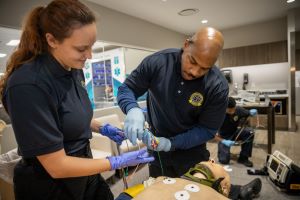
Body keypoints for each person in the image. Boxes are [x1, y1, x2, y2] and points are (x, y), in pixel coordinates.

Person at [0, 0, 154, 199]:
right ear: (52, 40)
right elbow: (57, 166)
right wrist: (116, 162)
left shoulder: (73, 69)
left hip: (84, 168)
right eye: (82, 49)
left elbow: (69, 116)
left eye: (91, 46)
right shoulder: (28, 85)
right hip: (49, 184)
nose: (89, 55)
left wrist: (103, 128)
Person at [117, 27, 261, 199]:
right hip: (157, 148)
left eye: (204, 68)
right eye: (192, 61)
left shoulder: (217, 86)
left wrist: (171, 143)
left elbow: (207, 130)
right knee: (160, 190)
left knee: (196, 191)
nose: (194, 72)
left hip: (192, 149)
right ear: (186, 45)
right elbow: (127, 88)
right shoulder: (158, 62)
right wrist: (132, 109)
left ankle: (237, 192)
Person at [115, 160, 262, 200]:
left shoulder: (161, 180)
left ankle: (241, 192)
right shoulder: (162, 178)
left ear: (223, 188)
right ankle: (241, 192)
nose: (212, 159)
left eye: (216, 164)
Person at [215, 97, 257, 167]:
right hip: (223, 137)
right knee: (224, 160)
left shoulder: (238, 110)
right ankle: (223, 154)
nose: (233, 112)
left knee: (250, 132)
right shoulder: (217, 115)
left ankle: (243, 158)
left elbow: (248, 113)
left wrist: (251, 112)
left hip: (235, 132)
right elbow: (211, 134)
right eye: (230, 110)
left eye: (233, 109)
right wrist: (223, 141)